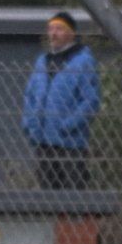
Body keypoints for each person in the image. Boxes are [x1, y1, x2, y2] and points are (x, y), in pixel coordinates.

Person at [21, 12, 101, 191]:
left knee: (73, 190)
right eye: (51, 29)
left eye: (59, 29)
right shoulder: (42, 62)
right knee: (47, 191)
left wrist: (68, 125)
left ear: (71, 33)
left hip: (70, 143)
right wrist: (29, 123)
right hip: (43, 139)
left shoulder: (83, 62)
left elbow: (90, 101)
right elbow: (30, 95)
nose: (54, 34)